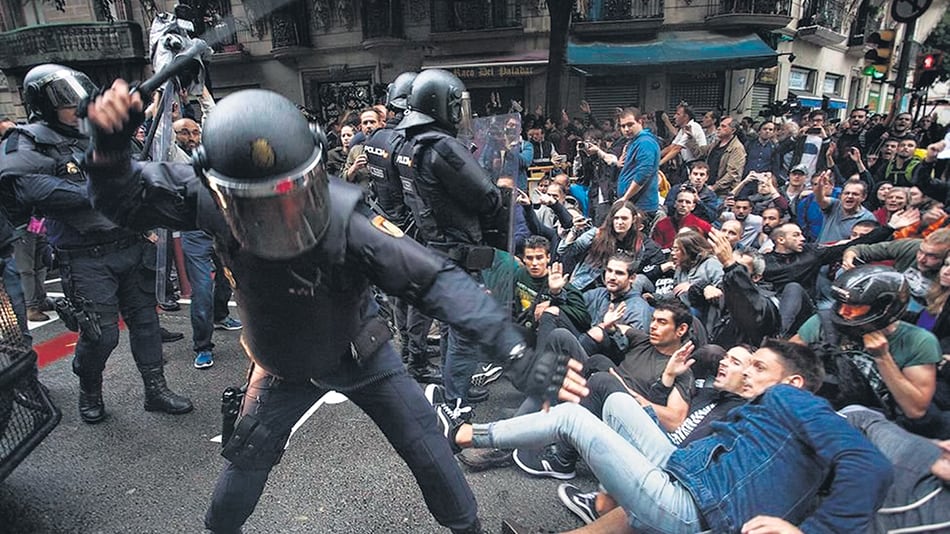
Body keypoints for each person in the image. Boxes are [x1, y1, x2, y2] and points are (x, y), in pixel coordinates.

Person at [83, 79, 586, 533]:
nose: (277, 216)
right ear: (218, 191)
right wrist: (108, 149)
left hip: (361, 352)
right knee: (247, 460)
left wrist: (517, 354)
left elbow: (436, 282)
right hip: (283, 362)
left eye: (288, 196)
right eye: (255, 206)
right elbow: (122, 201)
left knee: (430, 452)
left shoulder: (347, 223)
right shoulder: (203, 194)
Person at [434, 338, 892, 534]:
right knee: (612, 402)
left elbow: (870, 466)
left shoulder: (797, 403)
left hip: (693, 510)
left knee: (574, 419)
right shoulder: (771, 416)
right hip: (685, 477)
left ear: (792, 383)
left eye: (758, 367)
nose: (746, 371)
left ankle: (461, 435)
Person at [0, 64, 192, 424]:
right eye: (64, 102)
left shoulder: (100, 130)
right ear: (43, 104)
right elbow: (32, 187)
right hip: (84, 254)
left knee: (146, 323)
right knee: (100, 335)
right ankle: (90, 388)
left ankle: (156, 389)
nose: (75, 107)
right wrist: (104, 190)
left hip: (129, 243)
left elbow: (139, 171)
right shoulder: (27, 139)